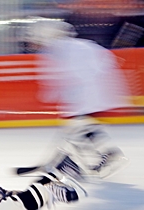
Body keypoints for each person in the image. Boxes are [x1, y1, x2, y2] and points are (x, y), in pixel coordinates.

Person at [22, 19, 130, 180]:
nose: (34, 44)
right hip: (93, 93)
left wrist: (52, 94)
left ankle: (103, 156)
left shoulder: (60, 50)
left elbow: (60, 78)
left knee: (78, 127)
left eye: (36, 40)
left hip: (90, 94)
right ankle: (98, 157)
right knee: (79, 128)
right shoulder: (72, 46)